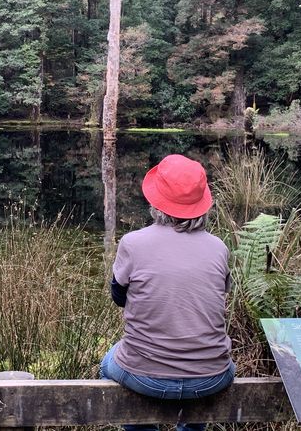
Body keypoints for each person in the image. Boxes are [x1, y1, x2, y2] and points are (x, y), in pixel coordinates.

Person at [100, 154, 234, 431]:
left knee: (109, 361)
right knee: (210, 378)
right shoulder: (219, 248)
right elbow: (219, 296)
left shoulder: (133, 243)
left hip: (145, 377)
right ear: (202, 204)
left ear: (156, 201)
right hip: (210, 377)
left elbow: (118, 297)